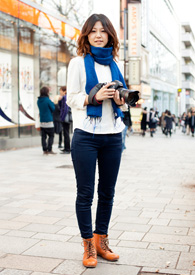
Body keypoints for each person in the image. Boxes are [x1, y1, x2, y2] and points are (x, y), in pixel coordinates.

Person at [67, 14, 126, 268]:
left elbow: (121, 95)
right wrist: (93, 97)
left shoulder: (115, 63)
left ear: (110, 35)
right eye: (93, 31)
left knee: (108, 192)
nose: (99, 35)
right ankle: (88, 244)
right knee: (86, 193)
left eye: (103, 31)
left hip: (113, 135)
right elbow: (71, 98)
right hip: (86, 136)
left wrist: (122, 99)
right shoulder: (77, 63)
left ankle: (102, 241)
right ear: (86, 35)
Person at [37, 86, 56, 155]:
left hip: (42, 121)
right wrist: (51, 101)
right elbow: (53, 108)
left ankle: (45, 150)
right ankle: (49, 149)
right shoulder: (47, 100)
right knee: (51, 136)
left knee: (43, 137)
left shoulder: (38, 100)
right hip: (49, 121)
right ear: (47, 92)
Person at [59, 86, 71, 154]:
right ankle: (66, 148)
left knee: (66, 133)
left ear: (64, 91)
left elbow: (64, 108)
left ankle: (67, 149)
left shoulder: (64, 97)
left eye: (60, 90)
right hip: (67, 118)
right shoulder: (66, 97)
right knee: (66, 133)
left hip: (65, 118)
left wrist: (62, 117)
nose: (60, 92)